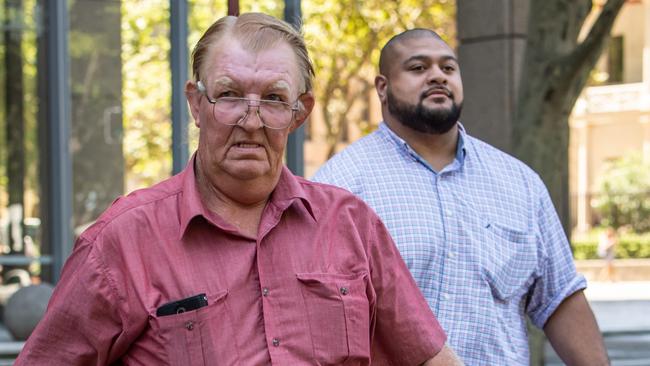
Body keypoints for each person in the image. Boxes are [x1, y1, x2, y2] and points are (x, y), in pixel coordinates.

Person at [15, 15, 462, 366]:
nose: (251, 120)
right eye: (229, 95)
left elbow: (428, 358)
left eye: (272, 98)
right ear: (195, 103)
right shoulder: (122, 242)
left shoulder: (350, 225)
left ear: (299, 112)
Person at [313, 28, 610, 365]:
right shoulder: (339, 188)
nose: (437, 76)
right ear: (382, 88)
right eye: (418, 68)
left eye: (448, 68)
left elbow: (559, 298)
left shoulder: (520, 183)